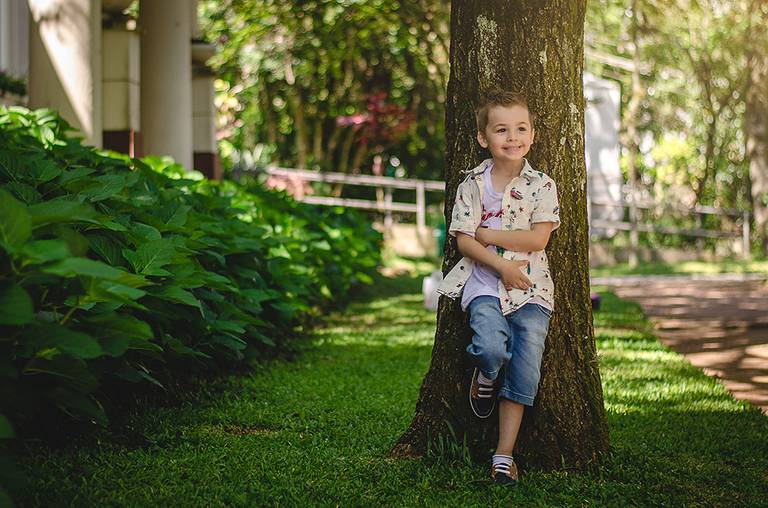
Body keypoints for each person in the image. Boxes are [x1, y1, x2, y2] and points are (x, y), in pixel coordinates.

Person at [437, 89, 560, 486]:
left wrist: (489, 232)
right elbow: (463, 240)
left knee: (525, 373)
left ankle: (503, 456)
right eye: (501, 129)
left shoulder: (542, 185)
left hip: (531, 290)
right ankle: (486, 375)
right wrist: (501, 264)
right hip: (484, 283)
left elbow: (538, 239)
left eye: (521, 128)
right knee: (490, 347)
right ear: (482, 138)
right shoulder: (472, 184)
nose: (512, 137)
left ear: (533, 134)